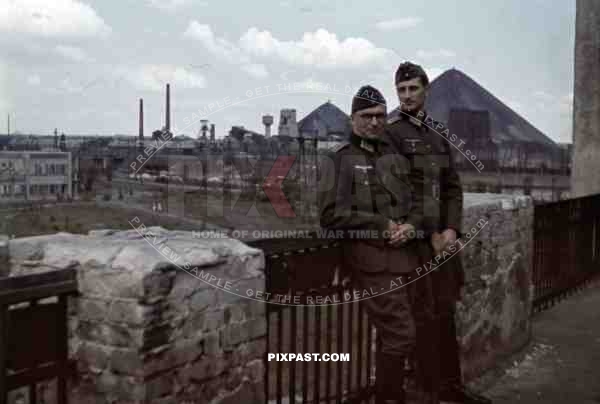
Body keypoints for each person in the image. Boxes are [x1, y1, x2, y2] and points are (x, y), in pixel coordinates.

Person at [385, 61, 492, 404]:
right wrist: (427, 231)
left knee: (445, 313)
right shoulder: (391, 135)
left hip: (441, 242)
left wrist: (451, 229)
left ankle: (451, 388)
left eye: (413, 89)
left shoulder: (437, 133)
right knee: (423, 319)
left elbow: (452, 187)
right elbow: (397, 193)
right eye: (401, 90)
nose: (406, 96)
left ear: (425, 91)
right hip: (414, 246)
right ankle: (427, 392)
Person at [319, 85, 431, 404]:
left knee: (394, 335)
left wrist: (411, 225)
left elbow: (417, 202)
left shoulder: (393, 158)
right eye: (366, 116)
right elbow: (330, 215)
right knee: (401, 333)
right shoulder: (338, 159)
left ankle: (385, 395)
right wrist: (381, 225)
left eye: (380, 116)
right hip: (370, 261)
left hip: (404, 259)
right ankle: (390, 397)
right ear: (353, 118)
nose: (374, 122)